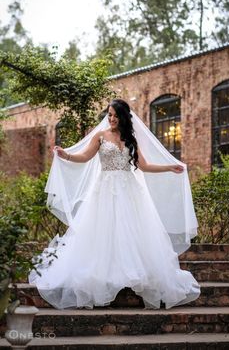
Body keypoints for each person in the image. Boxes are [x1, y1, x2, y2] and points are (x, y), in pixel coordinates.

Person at [29, 99, 200, 310]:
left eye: (115, 116)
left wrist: (169, 167)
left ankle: (134, 275)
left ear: (123, 118)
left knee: (131, 232)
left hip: (129, 191)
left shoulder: (131, 139)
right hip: (104, 190)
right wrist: (66, 155)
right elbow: (84, 157)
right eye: (109, 115)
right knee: (103, 232)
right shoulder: (100, 136)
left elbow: (143, 166)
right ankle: (102, 278)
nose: (110, 119)